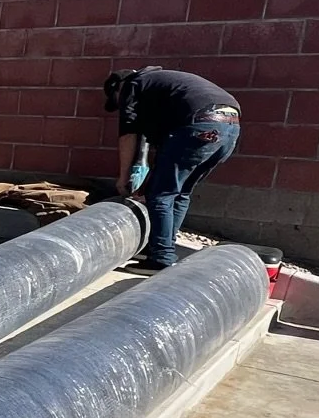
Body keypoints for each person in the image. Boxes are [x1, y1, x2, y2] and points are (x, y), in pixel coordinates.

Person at [103, 66, 241, 269]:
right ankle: (160, 246)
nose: (120, 105)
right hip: (230, 127)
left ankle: (161, 258)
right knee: (181, 193)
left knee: (162, 195)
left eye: (116, 100)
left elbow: (128, 134)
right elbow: (166, 151)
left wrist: (123, 178)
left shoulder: (132, 85)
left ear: (118, 88)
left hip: (200, 123)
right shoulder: (162, 88)